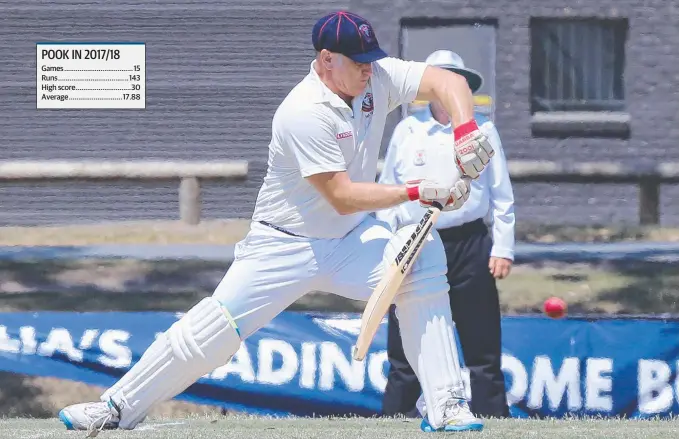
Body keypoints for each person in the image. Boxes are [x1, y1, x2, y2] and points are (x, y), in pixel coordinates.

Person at [57, 12, 495, 436]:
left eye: (371, 59)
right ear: (327, 59)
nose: (369, 70)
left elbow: (447, 80)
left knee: (422, 258)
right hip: (283, 244)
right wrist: (418, 190)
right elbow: (341, 196)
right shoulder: (302, 111)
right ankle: (116, 407)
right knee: (212, 329)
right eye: (358, 62)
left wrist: (465, 132)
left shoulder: (375, 75)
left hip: (351, 240)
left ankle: (446, 404)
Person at [377, 50, 515, 420]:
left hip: (469, 243)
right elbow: (387, 187)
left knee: (481, 343)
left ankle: (494, 418)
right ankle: (394, 419)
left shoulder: (482, 130)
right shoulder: (408, 130)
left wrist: (503, 248)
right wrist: (387, 242)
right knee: (405, 342)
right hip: (416, 244)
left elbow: (501, 193)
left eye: (457, 81)